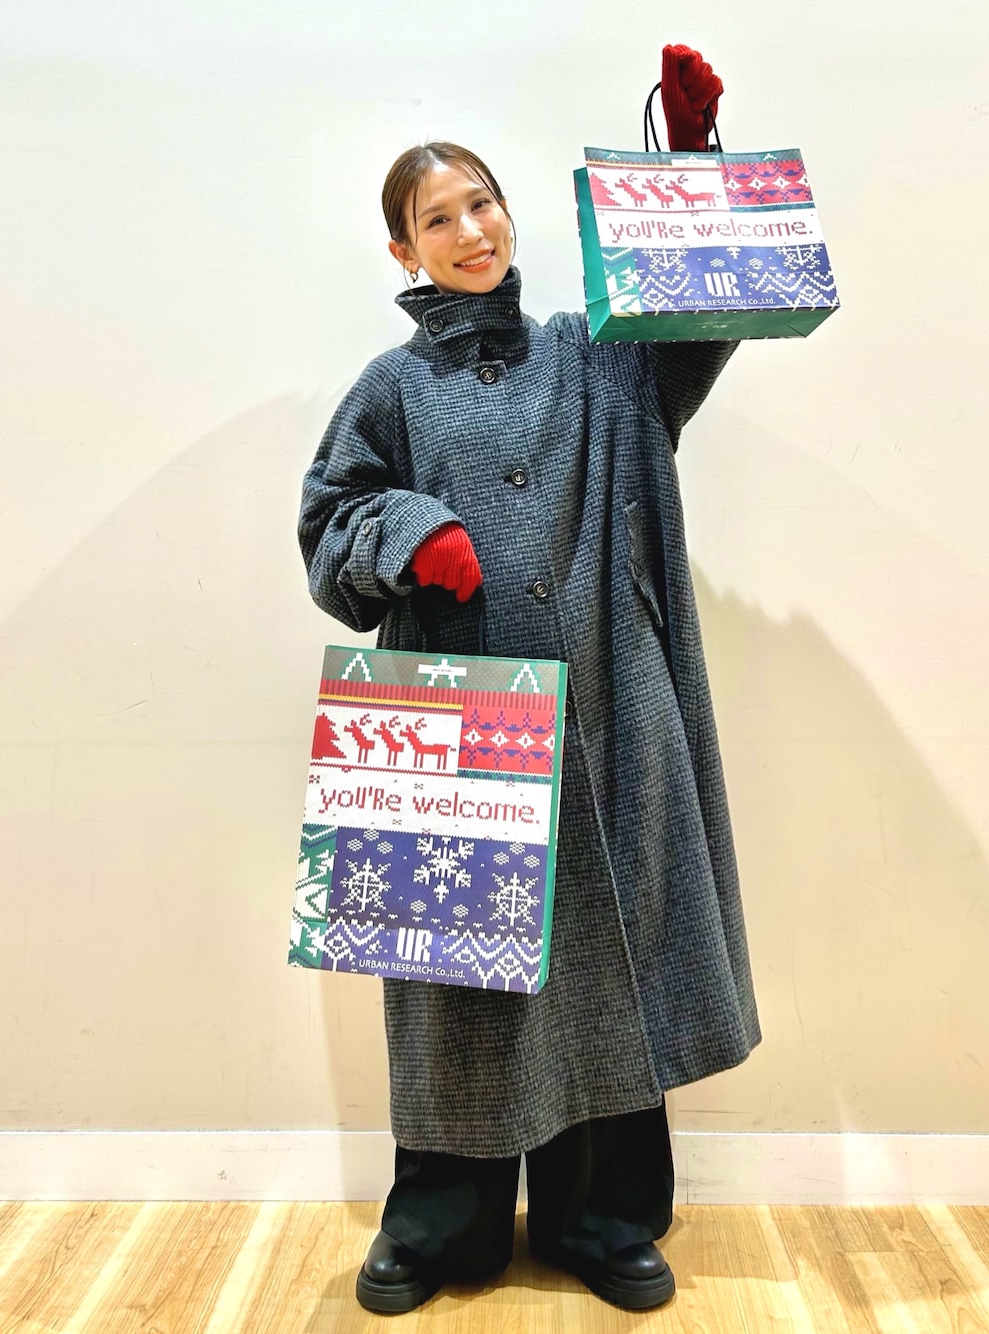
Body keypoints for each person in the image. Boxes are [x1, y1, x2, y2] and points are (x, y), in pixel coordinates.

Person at [298, 45, 760, 1315]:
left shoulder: (596, 355)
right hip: (457, 717)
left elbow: (700, 321)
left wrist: (692, 166)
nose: (469, 230)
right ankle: (438, 1224)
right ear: (403, 250)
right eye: (437, 218)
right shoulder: (390, 387)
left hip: (611, 706)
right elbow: (329, 522)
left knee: (610, 959)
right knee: (455, 974)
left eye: (481, 203)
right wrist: (409, 532)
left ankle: (601, 1218)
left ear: (510, 214)